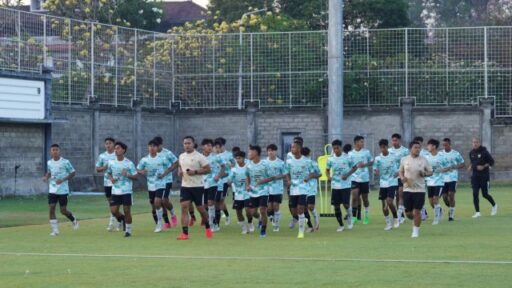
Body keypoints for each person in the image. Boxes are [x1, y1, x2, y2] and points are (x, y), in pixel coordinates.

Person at [176, 136, 213, 240]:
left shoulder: (199, 156)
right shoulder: (181, 156)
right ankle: (185, 234)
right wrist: (179, 171)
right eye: (185, 143)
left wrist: (195, 172)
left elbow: (208, 170)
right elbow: (180, 165)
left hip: (197, 186)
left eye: (189, 143)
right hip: (185, 186)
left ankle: (208, 227)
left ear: (193, 144)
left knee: (200, 209)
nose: (187, 145)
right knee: (184, 207)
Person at [137, 140, 175, 233]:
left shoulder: (162, 158)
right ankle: (159, 222)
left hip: (161, 184)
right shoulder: (144, 159)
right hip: (150, 185)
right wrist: (142, 172)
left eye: (154, 146)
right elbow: (138, 169)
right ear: (148, 147)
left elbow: (171, 166)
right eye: (150, 146)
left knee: (158, 202)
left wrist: (164, 174)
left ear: (157, 148)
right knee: (154, 206)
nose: (152, 148)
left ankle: (160, 223)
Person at [42, 144, 78, 236]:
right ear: (50, 152)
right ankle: (55, 231)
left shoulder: (65, 162)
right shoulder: (49, 162)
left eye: (56, 150)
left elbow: (73, 173)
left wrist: (63, 179)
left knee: (63, 210)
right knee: (51, 208)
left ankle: (73, 219)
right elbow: (50, 172)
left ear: (59, 151)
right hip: (52, 189)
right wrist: (46, 177)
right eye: (53, 150)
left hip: (63, 190)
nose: (55, 151)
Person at [285, 141, 319, 239]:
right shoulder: (289, 161)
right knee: (294, 211)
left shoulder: (307, 161)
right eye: (291, 148)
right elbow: (286, 172)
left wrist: (309, 176)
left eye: (294, 148)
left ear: (299, 149)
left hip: (304, 189)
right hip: (293, 189)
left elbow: (314, 173)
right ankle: (304, 221)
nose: (292, 149)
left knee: (301, 209)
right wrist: (288, 180)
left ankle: (301, 232)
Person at [399, 141, 433, 238]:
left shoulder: (423, 160)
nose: (417, 149)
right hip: (407, 189)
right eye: (415, 147)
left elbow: (430, 172)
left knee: (416, 211)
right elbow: (400, 171)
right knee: (409, 213)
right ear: (411, 148)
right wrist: (402, 178)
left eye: (419, 148)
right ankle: (415, 219)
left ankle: (415, 231)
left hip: (420, 190)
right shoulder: (404, 159)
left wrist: (425, 174)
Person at [106, 142, 139, 237]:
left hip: (126, 191)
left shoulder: (129, 163)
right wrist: (111, 178)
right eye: (115, 148)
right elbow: (108, 173)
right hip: (115, 191)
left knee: (127, 210)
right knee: (114, 211)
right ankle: (123, 219)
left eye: (118, 148)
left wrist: (127, 175)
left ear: (123, 150)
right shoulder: (111, 162)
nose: (116, 150)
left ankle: (128, 230)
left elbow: (136, 177)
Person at [327, 140, 357, 232]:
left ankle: (349, 218)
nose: (336, 150)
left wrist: (347, 175)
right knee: (336, 206)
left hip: (345, 185)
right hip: (335, 185)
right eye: (334, 148)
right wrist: (329, 177)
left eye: (337, 148)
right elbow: (327, 170)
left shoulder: (347, 157)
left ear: (341, 147)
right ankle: (340, 225)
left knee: (346, 204)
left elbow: (355, 167)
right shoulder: (331, 159)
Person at [245, 145, 274, 238]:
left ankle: (263, 230)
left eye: (250, 152)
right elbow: (247, 176)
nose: (248, 154)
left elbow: (272, 177)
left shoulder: (265, 164)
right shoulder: (248, 165)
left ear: (256, 153)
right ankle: (260, 219)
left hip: (264, 191)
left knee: (262, 210)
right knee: (253, 212)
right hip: (253, 191)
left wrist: (263, 181)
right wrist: (248, 185)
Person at [373, 139, 400, 231]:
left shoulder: (394, 156)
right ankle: (388, 223)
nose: (382, 149)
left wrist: (398, 172)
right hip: (383, 184)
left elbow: (401, 166)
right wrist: (376, 172)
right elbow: (375, 169)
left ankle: (396, 218)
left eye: (384, 147)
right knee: (384, 205)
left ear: (387, 147)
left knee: (389, 201)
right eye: (381, 148)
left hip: (392, 182)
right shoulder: (378, 159)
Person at [468, 137, 498, 218]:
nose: (474, 144)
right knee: (475, 194)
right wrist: (470, 166)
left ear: (479, 143)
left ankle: (494, 205)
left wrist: (484, 166)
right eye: (473, 142)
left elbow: (492, 162)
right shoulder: (471, 153)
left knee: (485, 194)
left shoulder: (485, 152)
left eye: (476, 142)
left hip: (484, 176)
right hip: (475, 177)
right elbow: (472, 162)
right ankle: (477, 212)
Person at [153, 136, 179, 229]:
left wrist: (167, 172)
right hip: (155, 182)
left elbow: (176, 163)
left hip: (167, 180)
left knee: (164, 200)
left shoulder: (167, 153)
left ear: (161, 145)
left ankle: (173, 214)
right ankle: (166, 222)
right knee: (158, 202)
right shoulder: (152, 154)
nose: (155, 148)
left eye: (157, 145)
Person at [95, 137, 119, 231]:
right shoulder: (102, 156)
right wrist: (104, 167)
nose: (108, 145)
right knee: (111, 203)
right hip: (107, 182)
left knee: (115, 203)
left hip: (117, 183)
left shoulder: (117, 154)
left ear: (114, 144)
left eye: (110, 143)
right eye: (106, 143)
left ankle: (112, 223)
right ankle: (119, 220)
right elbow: (97, 169)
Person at [201, 138, 225, 232]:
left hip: (213, 183)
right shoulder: (199, 157)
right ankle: (212, 221)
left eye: (211, 145)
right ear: (203, 146)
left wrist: (218, 176)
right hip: (202, 183)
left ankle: (212, 224)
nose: (210, 147)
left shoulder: (216, 156)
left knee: (212, 202)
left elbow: (223, 167)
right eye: (208, 145)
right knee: (205, 205)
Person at [349, 135, 374, 225]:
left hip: (364, 179)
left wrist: (365, 164)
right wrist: (353, 168)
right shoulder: (350, 154)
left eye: (363, 142)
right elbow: (349, 165)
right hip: (354, 178)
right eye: (361, 142)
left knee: (365, 199)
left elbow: (372, 162)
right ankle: (354, 217)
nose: (362, 143)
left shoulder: (366, 152)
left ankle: (366, 216)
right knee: (354, 196)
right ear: (356, 143)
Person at [424, 139, 449, 225]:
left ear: (434, 146)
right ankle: (440, 210)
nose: (427, 147)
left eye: (429, 145)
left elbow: (448, 167)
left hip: (439, 182)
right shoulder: (426, 157)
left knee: (435, 199)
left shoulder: (441, 156)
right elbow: (425, 168)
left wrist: (442, 170)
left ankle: (436, 218)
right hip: (429, 182)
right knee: (431, 202)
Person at [440, 138, 465, 221]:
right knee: (444, 197)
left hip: (453, 178)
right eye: (443, 145)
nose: (444, 146)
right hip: (443, 179)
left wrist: (454, 167)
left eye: (446, 145)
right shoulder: (440, 154)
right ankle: (451, 206)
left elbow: (462, 164)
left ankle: (451, 215)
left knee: (451, 195)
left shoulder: (455, 154)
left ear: (450, 145)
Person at [228, 151, 252, 234]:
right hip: (238, 193)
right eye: (236, 158)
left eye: (239, 158)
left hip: (248, 192)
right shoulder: (234, 169)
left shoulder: (248, 167)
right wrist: (229, 181)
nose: (237, 160)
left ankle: (250, 222)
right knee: (238, 211)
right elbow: (230, 178)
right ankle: (244, 228)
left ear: (243, 158)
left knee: (248, 210)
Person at [265, 144, 287, 232]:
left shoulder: (281, 163)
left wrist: (276, 177)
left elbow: (285, 174)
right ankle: (272, 217)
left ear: (275, 151)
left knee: (275, 205)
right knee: (269, 208)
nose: (270, 152)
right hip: (266, 188)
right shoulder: (264, 163)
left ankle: (276, 224)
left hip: (277, 188)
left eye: (272, 150)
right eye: (269, 150)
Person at [214, 137, 235, 226]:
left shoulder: (229, 155)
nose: (217, 149)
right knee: (217, 201)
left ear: (223, 146)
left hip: (225, 180)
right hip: (215, 181)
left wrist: (231, 165)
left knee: (221, 199)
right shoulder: (214, 156)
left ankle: (223, 217)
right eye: (216, 147)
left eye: (219, 147)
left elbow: (234, 164)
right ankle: (225, 215)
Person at [389, 133, 409, 224]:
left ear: (399, 140)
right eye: (393, 140)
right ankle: (399, 215)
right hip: (392, 177)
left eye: (396, 140)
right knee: (394, 197)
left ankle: (400, 215)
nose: (394, 142)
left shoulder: (405, 151)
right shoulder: (389, 151)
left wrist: (401, 171)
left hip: (402, 175)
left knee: (400, 193)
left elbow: (408, 163)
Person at [302, 147, 321, 232]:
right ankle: (309, 226)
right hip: (301, 188)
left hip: (311, 187)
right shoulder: (298, 163)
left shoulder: (313, 163)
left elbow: (320, 174)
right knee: (303, 208)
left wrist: (311, 176)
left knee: (310, 206)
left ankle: (316, 219)